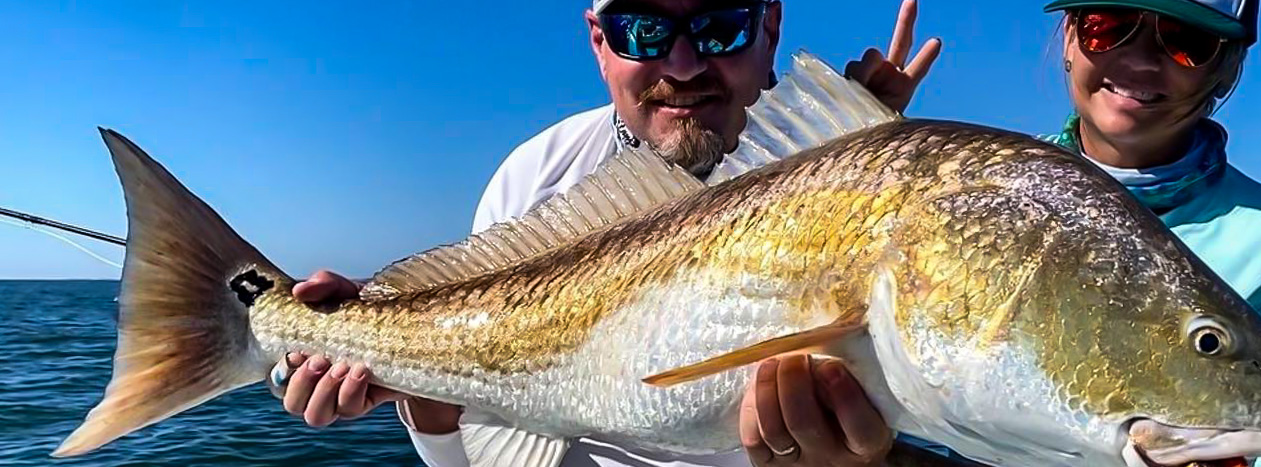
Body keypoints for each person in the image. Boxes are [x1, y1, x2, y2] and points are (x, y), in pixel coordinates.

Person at [272, 1, 943, 466]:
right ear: (600, 43)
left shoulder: (876, 184)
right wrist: (416, 384)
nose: (681, 65)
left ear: (770, 26)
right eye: (642, 31)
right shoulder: (534, 178)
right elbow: (485, 455)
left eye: (720, 26)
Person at [845, 0, 1261, 466]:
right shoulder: (970, 185)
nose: (1141, 60)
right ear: (1068, 36)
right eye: (1108, 25)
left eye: (1186, 39)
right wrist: (858, 155)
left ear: (1225, 67)